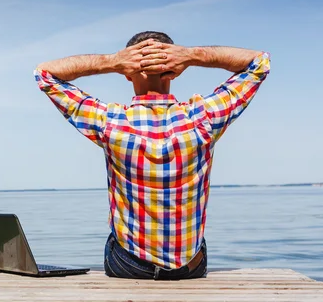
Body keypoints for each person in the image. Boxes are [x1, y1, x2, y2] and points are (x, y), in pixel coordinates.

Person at [34, 31, 270, 280]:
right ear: (175, 70)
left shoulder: (110, 122)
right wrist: (191, 55)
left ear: (127, 72)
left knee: (118, 234)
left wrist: (112, 60)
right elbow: (259, 62)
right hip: (188, 268)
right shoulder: (204, 118)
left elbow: (45, 73)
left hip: (129, 266)